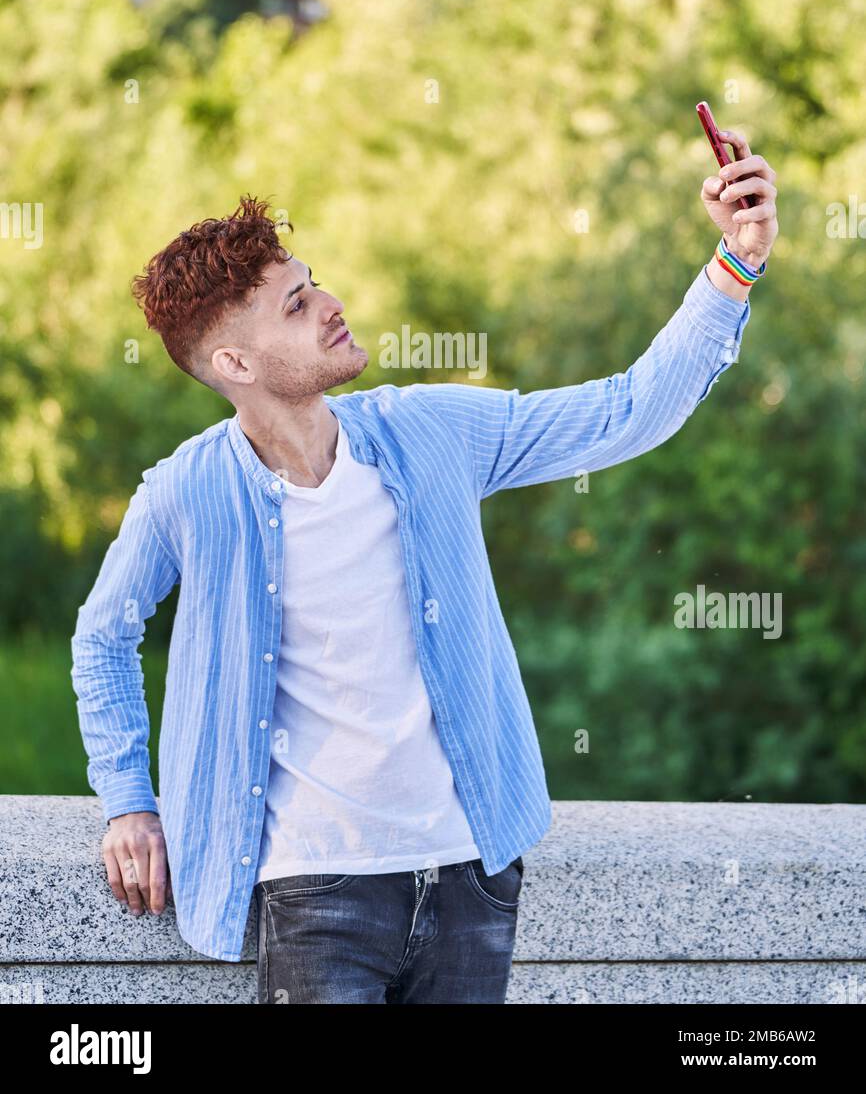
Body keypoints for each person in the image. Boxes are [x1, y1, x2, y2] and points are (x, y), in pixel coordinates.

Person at [70, 127, 778, 1003]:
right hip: (316, 891)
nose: (329, 302)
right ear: (234, 363)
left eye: (310, 281)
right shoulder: (186, 493)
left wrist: (732, 268)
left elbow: (622, 411)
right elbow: (103, 634)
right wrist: (129, 801)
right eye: (295, 305)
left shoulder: (426, 431)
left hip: (469, 876)